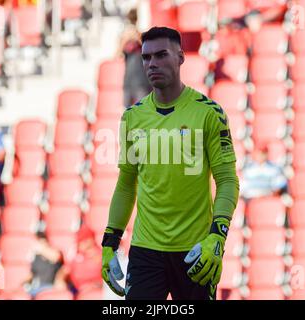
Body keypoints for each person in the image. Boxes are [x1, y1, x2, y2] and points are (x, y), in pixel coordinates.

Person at [101, 27, 240, 300]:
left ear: (180, 57)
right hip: (145, 252)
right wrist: (110, 241)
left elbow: (227, 180)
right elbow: (126, 184)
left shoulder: (209, 113)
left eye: (161, 55)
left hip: (195, 252)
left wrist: (217, 236)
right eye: (146, 57)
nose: (152, 64)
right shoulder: (132, 118)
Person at [116, 8, 151, 107]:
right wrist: (125, 40)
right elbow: (117, 56)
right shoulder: (124, 37)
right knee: (127, 114)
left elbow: (150, 52)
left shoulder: (143, 35)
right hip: (128, 81)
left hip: (142, 81)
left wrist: (138, 37)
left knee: (144, 112)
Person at [62, 224, 102, 299]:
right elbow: (65, 270)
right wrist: (60, 280)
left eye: (85, 240)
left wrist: (97, 285)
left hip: (96, 289)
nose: (82, 243)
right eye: (80, 241)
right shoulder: (75, 255)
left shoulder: (99, 254)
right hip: (76, 290)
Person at [26, 232, 66, 299]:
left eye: (43, 243)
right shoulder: (36, 257)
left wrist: (41, 248)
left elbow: (57, 257)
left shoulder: (55, 253)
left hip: (51, 287)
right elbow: (31, 274)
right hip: (36, 288)